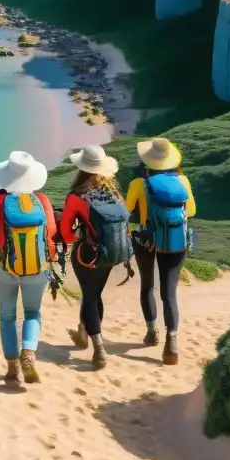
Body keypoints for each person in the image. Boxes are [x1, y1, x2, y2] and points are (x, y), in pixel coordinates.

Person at [0, 151, 58, 384]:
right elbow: (51, 233)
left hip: (6, 266)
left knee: (7, 316)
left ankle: (13, 366)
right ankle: (29, 353)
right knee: (33, 312)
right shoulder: (41, 200)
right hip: (38, 266)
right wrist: (49, 259)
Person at [125, 137, 197, 365]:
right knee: (169, 294)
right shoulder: (183, 180)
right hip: (176, 241)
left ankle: (152, 332)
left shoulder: (139, 184)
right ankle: (171, 341)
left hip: (147, 240)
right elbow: (192, 211)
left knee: (148, 286)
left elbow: (126, 211)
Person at [59, 145, 131, 370]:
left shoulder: (77, 195)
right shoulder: (114, 192)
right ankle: (83, 333)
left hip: (89, 253)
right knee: (95, 293)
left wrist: (79, 237)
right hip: (113, 252)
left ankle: (98, 349)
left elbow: (66, 232)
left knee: (89, 295)